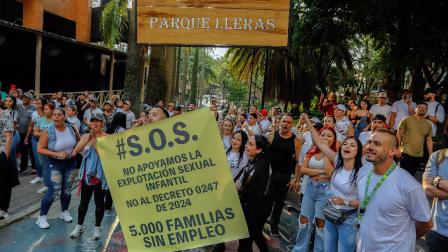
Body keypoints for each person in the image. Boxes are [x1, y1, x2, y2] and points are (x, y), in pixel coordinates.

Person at [356, 128, 432, 251]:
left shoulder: (409, 185)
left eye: (377, 144)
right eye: (370, 142)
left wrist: (405, 242)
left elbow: (426, 223)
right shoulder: (364, 171)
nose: (370, 146)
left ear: (392, 151)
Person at [301, 113, 361, 252]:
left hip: (349, 218)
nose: (347, 146)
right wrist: (309, 124)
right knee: (329, 247)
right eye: (345, 143)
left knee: (343, 248)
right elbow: (319, 143)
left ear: (358, 151)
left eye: (352, 145)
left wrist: (345, 202)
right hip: (331, 212)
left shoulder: (361, 172)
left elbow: (365, 201)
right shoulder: (338, 160)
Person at [292, 126, 337, 252]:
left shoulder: (335, 155)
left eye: (329, 136)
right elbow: (303, 170)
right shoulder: (311, 151)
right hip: (310, 189)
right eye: (323, 135)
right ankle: (299, 249)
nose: (325, 138)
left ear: (334, 139)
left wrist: (326, 150)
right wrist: (320, 172)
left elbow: (329, 174)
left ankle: (319, 249)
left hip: (325, 192)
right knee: (304, 220)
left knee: (320, 224)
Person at [36, 107, 80, 229]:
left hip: (70, 163)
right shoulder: (47, 131)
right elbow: (39, 149)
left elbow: (78, 141)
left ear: (64, 116)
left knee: (67, 189)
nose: (55, 116)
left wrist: (76, 151)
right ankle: (42, 217)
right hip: (54, 163)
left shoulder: (72, 128)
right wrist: (57, 154)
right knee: (53, 190)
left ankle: (64, 211)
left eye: (59, 114)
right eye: (54, 114)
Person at [70, 113, 108, 239]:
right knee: (83, 203)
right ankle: (79, 226)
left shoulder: (107, 137)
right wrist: (88, 138)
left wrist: (95, 139)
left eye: (98, 121)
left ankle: (97, 228)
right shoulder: (86, 136)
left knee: (99, 203)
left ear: (103, 123)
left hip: (100, 176)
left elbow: (102, 154)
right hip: (87, 175)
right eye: (93, 121)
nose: (95, 123)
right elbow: (76, 151)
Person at [266, 114, 302, 236]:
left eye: (289, 122)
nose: (286, 124)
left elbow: (298, 162)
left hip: (285, 175)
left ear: (292, 125)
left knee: (279, 202)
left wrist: (295, 179)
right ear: (280, 122)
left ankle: (274, 224)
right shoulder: (271, 136)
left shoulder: (296, 141)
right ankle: (262, 221)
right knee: (267, 199)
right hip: (271, 174)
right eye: (284, 121)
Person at [237, 135, 272, 252]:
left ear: (259, 150)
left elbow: (255, 195)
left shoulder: (260, 168)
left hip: (255, 210)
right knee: (255, 235)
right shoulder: (254, 161)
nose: (246, 145)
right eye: (247, 143)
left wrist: (239, 192)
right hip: (252, 208)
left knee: (245, 242)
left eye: (250, 144)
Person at [396, 102, 433, 176]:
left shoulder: (428, 124)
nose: (422, 109)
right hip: (405, 152)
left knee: (411, 176)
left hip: (419, 154)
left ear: (426, 111)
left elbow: (429, 140)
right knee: (402, 174)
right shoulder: (407, 119)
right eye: (420, 107)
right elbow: (398, 134)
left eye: (424, 108)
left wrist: (431, 156)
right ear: (416, 109)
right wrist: (397, 148)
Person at [423, 149, 448, 251]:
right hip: (438, 231)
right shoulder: (438, 156)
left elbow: (431, 183)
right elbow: (427, 188)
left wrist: (438, 181)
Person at [0, 105, 18, 220]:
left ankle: (3, 209)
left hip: (1, 153)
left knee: (3, 184)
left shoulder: (5, 116)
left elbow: (9, 138)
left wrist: (5, 158)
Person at [33, 102, 55, 194]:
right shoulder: (41, 120)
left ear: (52, 110)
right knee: (44, 167)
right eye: (44, 109)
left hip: (53, 147)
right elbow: (35, 132)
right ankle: (47, 185)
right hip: (41, 147)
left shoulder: (56, 119)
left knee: (54, 166)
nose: (45, 111)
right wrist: (44, 134)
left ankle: (55, 185)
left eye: (47, 109)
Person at [27, 97, 47, 185]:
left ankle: (46, 178)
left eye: (39, 103)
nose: (37, 105)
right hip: (34, 138)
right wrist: (27, 136)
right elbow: (31, 125)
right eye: (36, 103)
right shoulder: (34, 113)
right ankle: (39, 176)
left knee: (44, 159)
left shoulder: (47, 113)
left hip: (44, 138)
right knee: (36, 158)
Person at [17, 91, 36, 172]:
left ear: (30, 99)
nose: (24, 98)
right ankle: (23, 168)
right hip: (20, 132)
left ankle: (35, 168)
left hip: (30, 133)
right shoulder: (18, 106)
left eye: (26, 97)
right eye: (23, 97)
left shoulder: (34, 108)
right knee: (23, 151)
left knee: (32, 151)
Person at [4, 95, 20, 170]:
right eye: (6, 101)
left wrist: (8, 138)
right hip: (6, 136)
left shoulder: (14, 112)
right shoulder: (4, 111)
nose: (7, 102)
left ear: (13, 102)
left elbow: (13, 128)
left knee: (10, 153)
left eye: (10, 101)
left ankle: (14, 171)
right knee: (11, 154)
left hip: (13, 136)